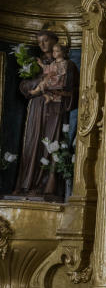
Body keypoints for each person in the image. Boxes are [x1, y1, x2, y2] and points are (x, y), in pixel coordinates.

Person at [15, 33, 77, 198]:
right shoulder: (34, 63)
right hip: (36, 109)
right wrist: (39, 82)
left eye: (46, 41)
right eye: (39, 42)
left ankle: (47, 187)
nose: (42, 44)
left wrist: (56, 89)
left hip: (55, 109)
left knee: (51, 143)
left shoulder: (67, 65)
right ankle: (26, 184)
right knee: (32, 143)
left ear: (56, 42)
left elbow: (72, 90)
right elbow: (24, 86)